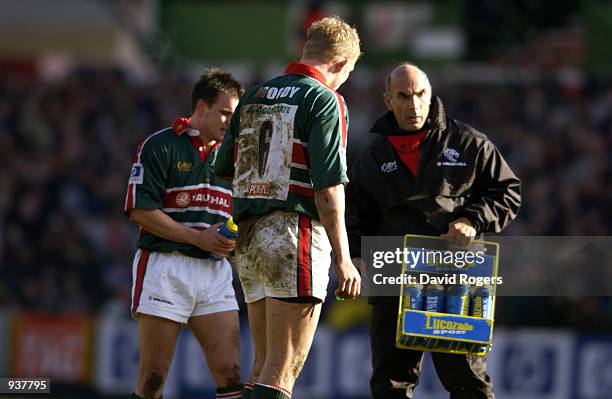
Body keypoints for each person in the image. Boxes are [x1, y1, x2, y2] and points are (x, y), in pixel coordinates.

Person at [346, 63, 521, 399]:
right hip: (394, 274)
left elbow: (508, 191)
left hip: (455, 272)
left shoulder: (469, 143)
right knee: (390, 384)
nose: (414, 103)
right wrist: (355, 256)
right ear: (388, 101)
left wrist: (472, 220)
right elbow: (356, 213)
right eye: (404, 96)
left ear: (431, 94)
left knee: (466, 380)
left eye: (420, 94)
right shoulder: (373, 156)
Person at [214, 16, 362, 399]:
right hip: (294, 235)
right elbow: (328, 186)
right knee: (283, 369)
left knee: (262, 364)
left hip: (249, 238)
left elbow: (222, 166)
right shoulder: (324, 99)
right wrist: (344, 258)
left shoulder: (254, 96)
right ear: (342, 63)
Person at [124, 68, 245, 399]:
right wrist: (198, 238)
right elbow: (140, 211)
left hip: (214, 271)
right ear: (201, 107)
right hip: (165, 266)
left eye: (234, 117)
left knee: (230, 372)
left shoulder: (237, 158)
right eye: (224, 113)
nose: (229, 123)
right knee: (153, 376)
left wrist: (233, 244)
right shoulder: (161, 145)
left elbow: (243, 216)